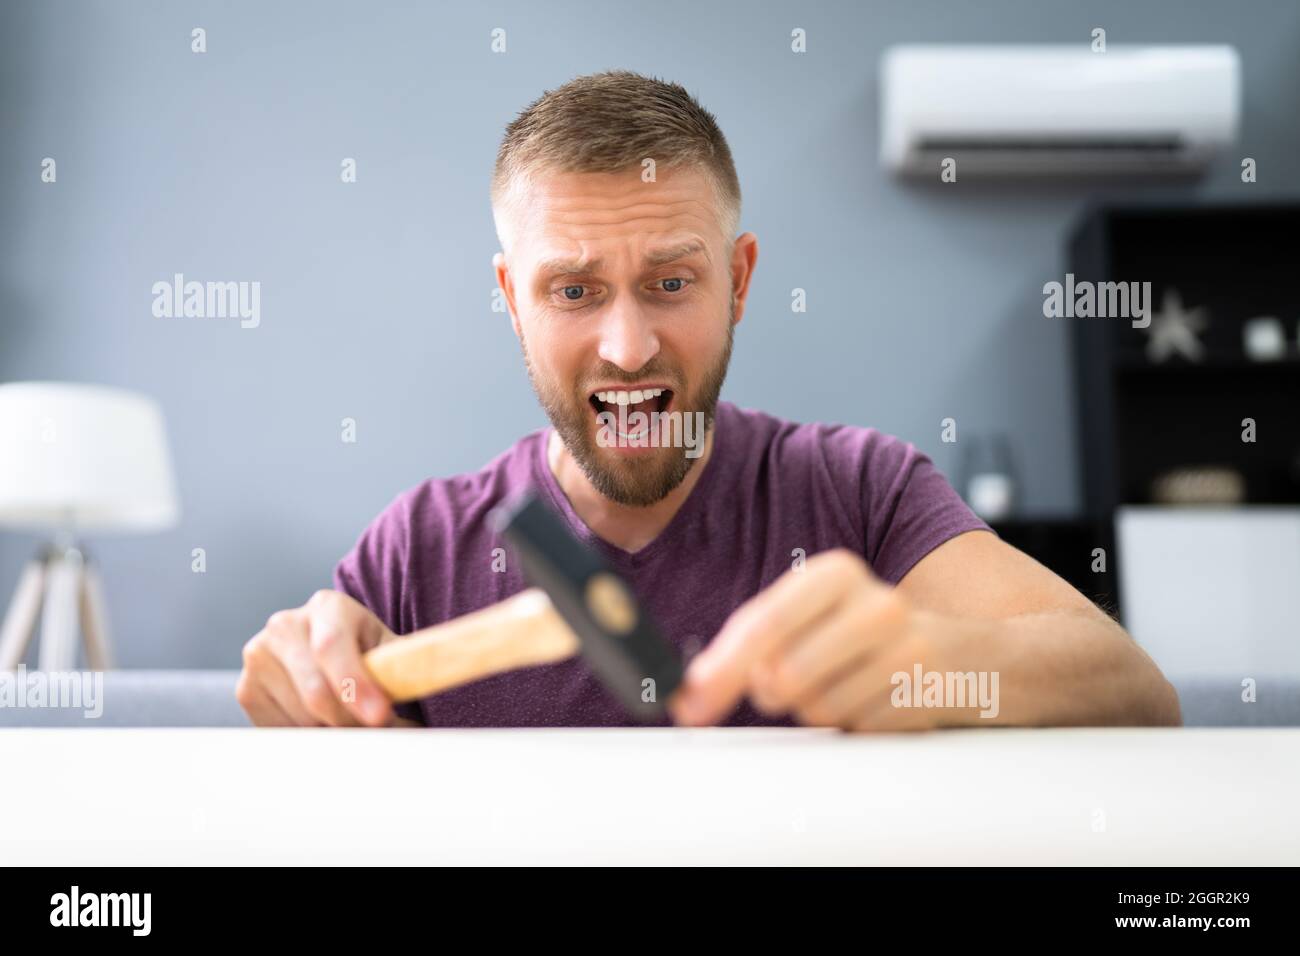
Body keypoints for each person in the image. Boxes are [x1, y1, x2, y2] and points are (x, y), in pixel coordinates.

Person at [236, 70, 1180, 731]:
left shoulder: (860, 491)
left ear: (739, 280)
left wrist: (933, 664)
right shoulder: (416, 552)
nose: (628, 345)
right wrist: (302, 685)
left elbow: (1138, 690)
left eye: (672, 282)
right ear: (512, 304)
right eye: (572, 291)